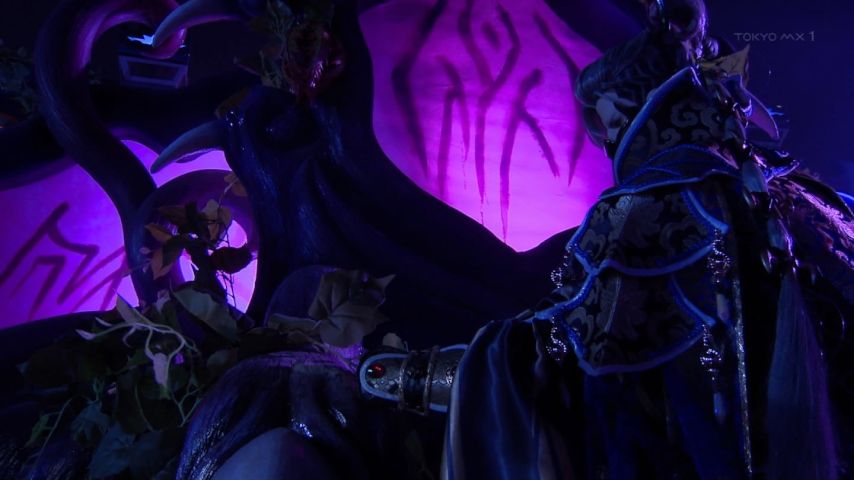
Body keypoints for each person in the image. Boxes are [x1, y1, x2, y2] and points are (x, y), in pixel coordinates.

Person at [439, 0, 854, 478]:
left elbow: (571, 355)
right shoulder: (811, 195)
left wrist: (453, 368)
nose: (608, 143)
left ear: (650, 107)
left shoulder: (642, 207)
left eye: (614, 123)